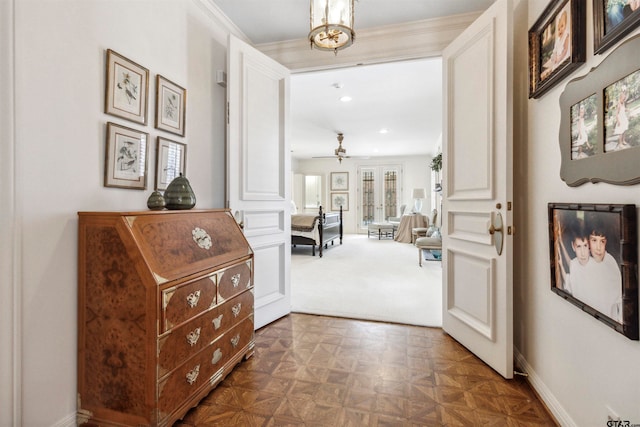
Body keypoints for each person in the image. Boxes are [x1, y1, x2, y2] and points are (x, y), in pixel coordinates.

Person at [574, 219, 623, 322]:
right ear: (588, 242)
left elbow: (620, 303)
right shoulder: (583, 261)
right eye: (594, 240)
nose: (598, 247)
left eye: (602, 241)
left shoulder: (610, 264)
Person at [556, 220, 591, 293]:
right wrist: (561, 265)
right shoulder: (576, 263)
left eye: (585, 245)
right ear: (573, 247)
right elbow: (572, 265)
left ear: (589, 245)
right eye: (578, 246)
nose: (583, 253)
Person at [541, 9, 571, 80]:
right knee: (552, 68)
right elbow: (555, 50)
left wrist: (560, 58)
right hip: (556, 60)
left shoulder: (566, 35)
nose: (560, 29)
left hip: (562, 57)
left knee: (555, 68)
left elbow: (565, 49)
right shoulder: (557, 40)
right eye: (559, 27)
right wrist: (553, 57)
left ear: (565, 24)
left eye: (562, 26)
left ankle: (549, 71)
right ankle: (548, 72)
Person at [613, 85, 630, 150]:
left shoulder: (623, 103)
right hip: (620, 119)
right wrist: (618, 121)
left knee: (624, 129)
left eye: (624, 98)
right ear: (620, 98)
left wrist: (627, 109)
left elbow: (623, 109)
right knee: (621, 132)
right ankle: (620, 144)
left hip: (624, 118)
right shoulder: (619, 104)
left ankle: (623, 140)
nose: (624, 99)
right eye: (623, 98)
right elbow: (616, 114)